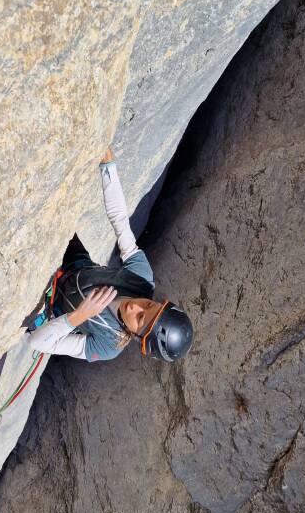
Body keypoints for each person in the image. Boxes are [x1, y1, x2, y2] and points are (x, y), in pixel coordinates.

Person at [27, 147, 193, 362]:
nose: (136, 306)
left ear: (137, 337)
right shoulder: (141, 278)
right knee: (47, 210)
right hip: (75, 264)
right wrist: (108, 168)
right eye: (149, 305)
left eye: (140, 318)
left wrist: (78, 317)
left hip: (52, 309)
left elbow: (37, 343)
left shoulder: (108, 345)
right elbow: (120, 222)